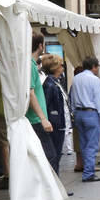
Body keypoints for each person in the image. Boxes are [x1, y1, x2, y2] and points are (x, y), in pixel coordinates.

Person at [70, 56, 100, 182]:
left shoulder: (76, 78)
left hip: (79, 113)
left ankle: (87, 170)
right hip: (91, 113)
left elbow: (72, 98)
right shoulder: (95, 80)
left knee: (84, 143)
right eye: (97, 67)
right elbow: (99, 100)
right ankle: (88, 173)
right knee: (92, 144)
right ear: (94, 67)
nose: (97, 70)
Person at [27, 33, 57, 171]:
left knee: (47, 156)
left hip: (36, 119)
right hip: (36, 119)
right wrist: (43, 119)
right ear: (40, 46)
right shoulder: (31, 66)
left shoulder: (31, 65)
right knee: (50, 156)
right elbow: (31, 93)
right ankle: (49, 190)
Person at [42, 54, 68, 174]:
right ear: (55, 67)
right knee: (55, 155)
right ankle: (55, 186)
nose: (63, 67)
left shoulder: (56, 82)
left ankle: (56, 185)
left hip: (59, 124)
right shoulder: (50, 84)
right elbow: (46, 105)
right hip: (55, 124)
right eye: (61, 64)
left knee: (57, 155)